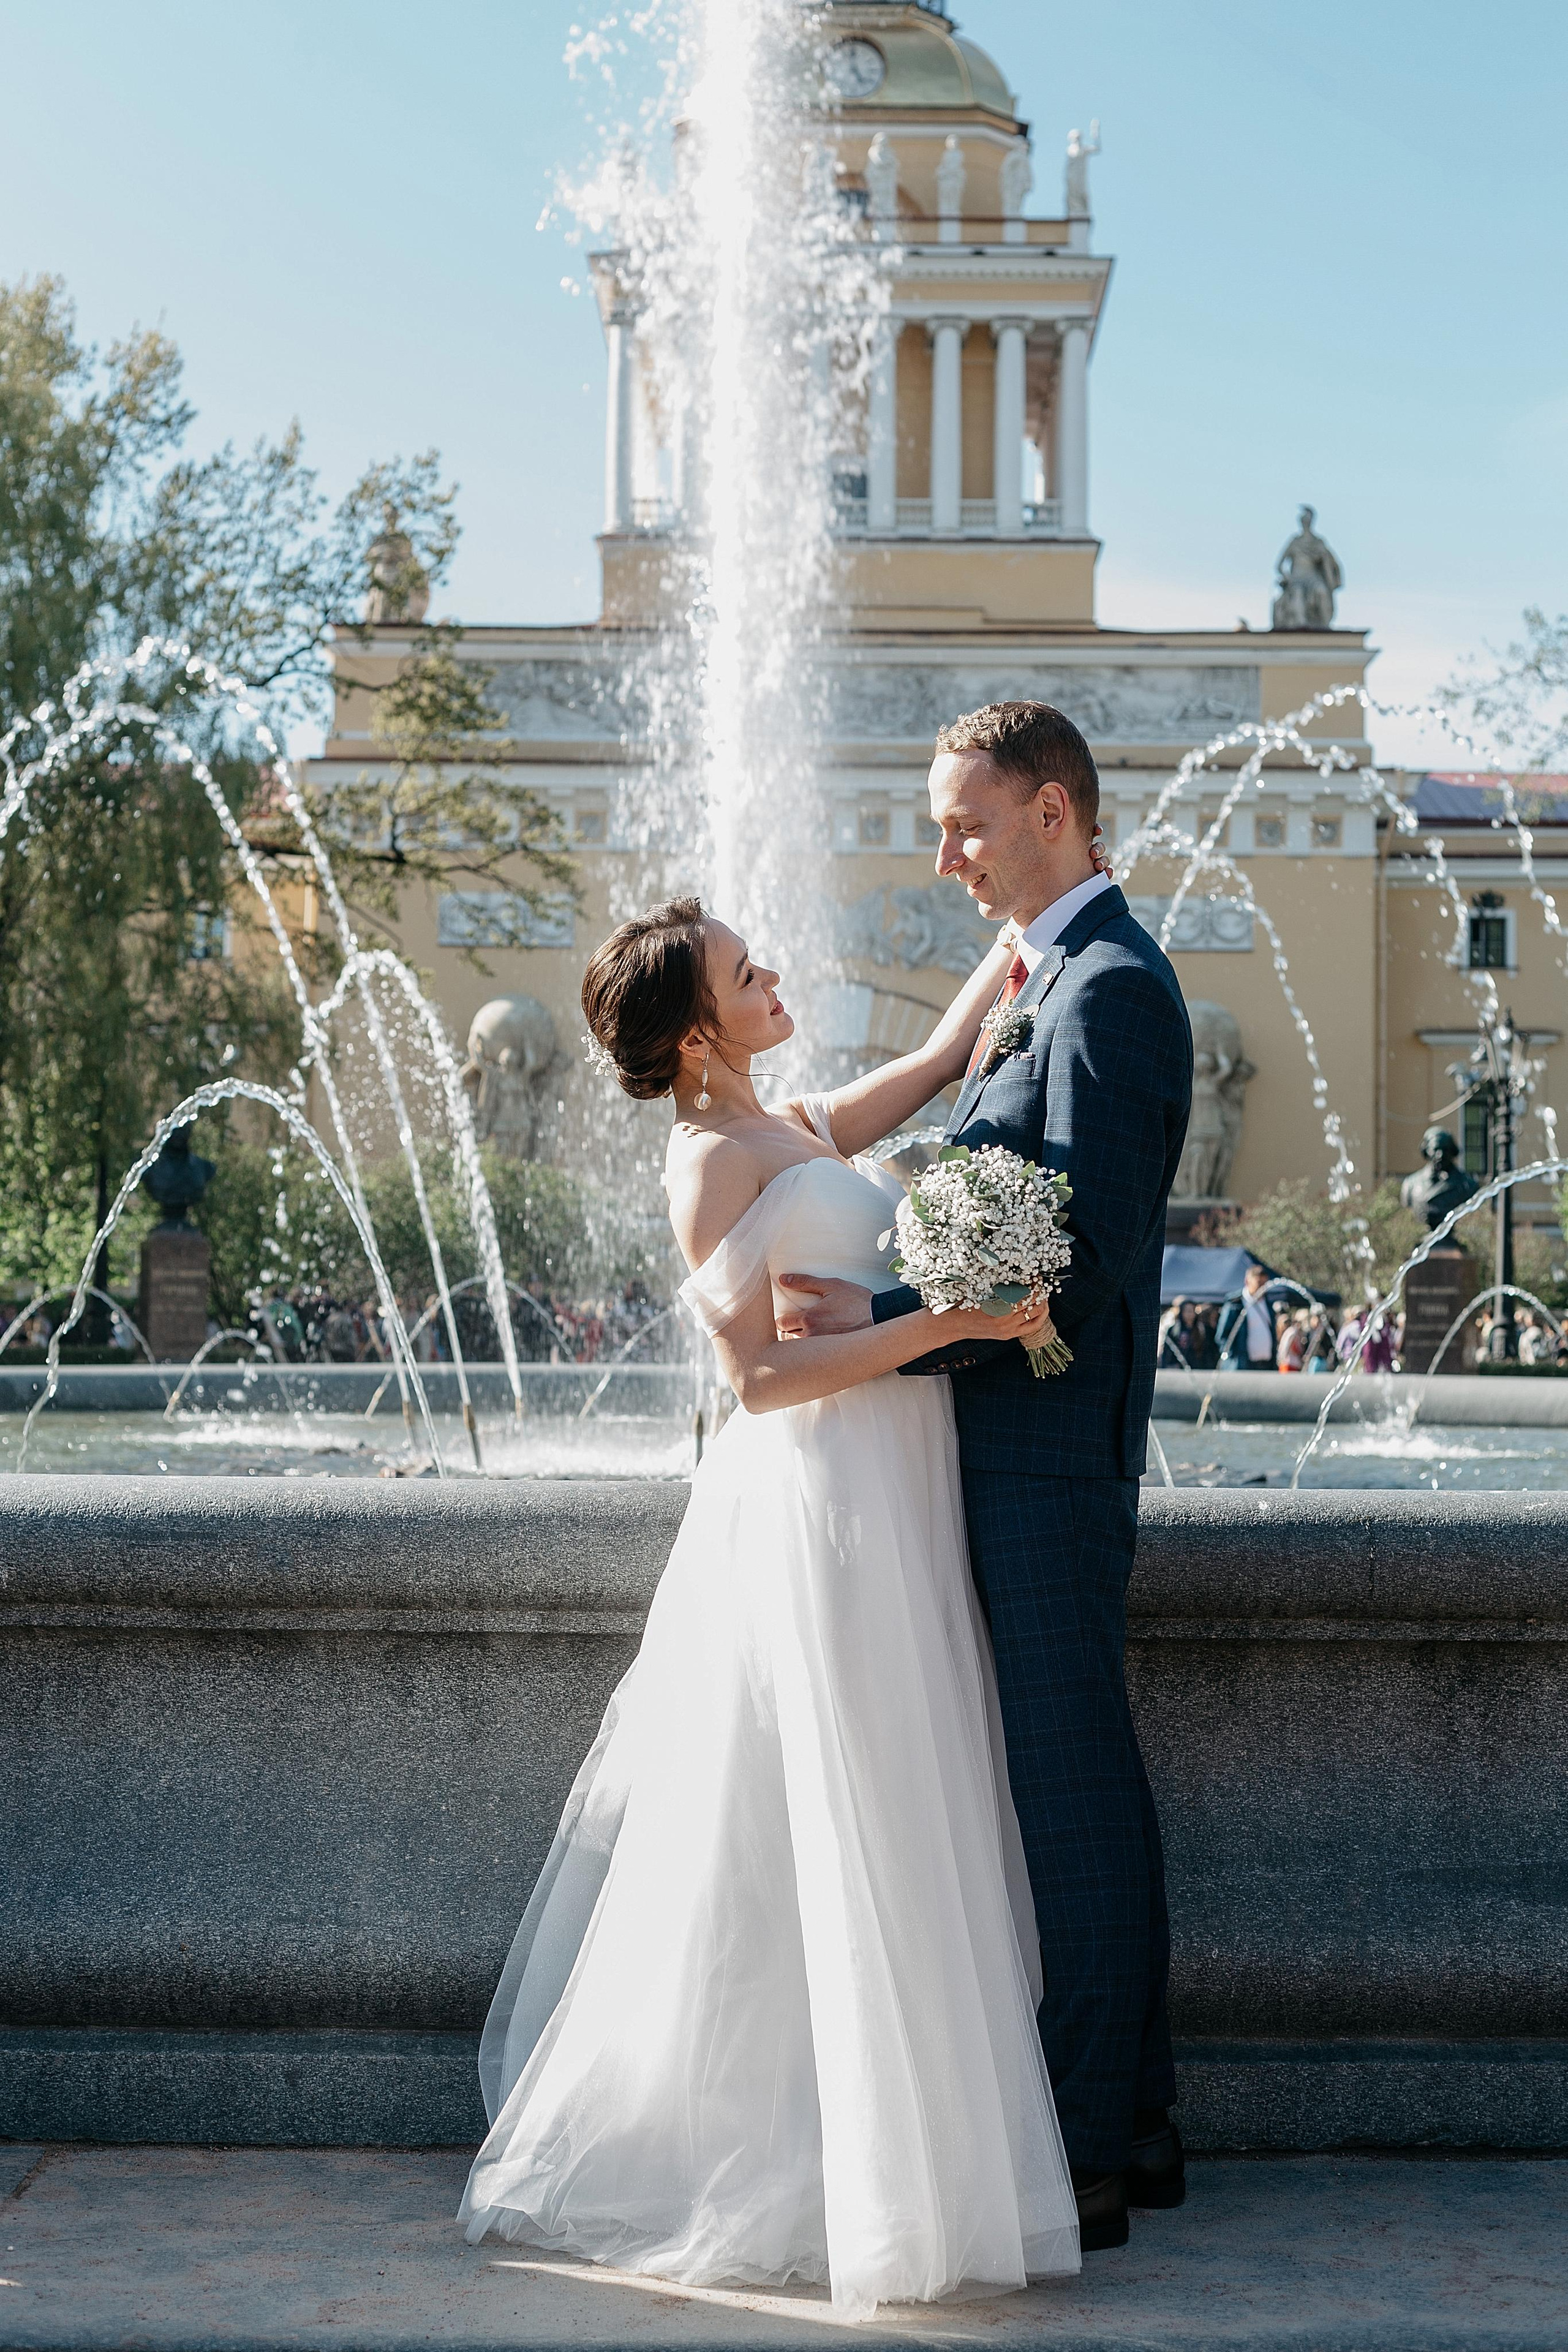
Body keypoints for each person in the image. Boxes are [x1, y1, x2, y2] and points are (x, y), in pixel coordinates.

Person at [459, 890, 1084, 2315]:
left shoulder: (791, 1126)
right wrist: (956, 1320)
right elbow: (752, 1381)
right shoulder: (706, 1165)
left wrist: (1017, 943)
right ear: (695, 1035)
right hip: (823, 1502)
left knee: (899, 1799)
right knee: (838, 1809)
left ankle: (912, 2161)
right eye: (746, 975)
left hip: (894, 1480)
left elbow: (931, 1066)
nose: (773, 977)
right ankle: (831, 2173)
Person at [777, 702, 1193, 2247]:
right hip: (1016, 1447)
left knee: (1067, 1799)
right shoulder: (1048, 978)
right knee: (1069, 1794)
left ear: (1052, 813)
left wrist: (877, 1326)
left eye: (965, 822)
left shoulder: (1108, 993)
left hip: (1047, 1457)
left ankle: (1086, 2149)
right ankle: (1130, 2121)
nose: (942, 853)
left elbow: (1075, 1261)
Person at [1216, 1263, 1275, 1370]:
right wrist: (1232, 1356)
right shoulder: (1236, 1304)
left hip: (1266, 1364)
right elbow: (1223, 1335)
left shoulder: (1268, 1304)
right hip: (1243, 1364)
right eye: (1259, 1283)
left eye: (1265, 1284)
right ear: (1248, 1281)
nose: (1262, 1288)